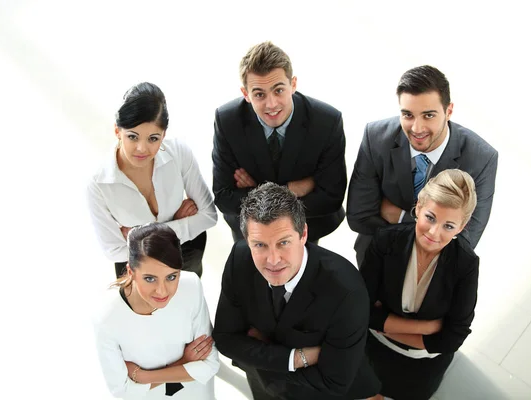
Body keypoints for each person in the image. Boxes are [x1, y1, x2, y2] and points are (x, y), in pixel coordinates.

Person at [212, 182, 381, 400]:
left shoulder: (347, 290)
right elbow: (226, 339)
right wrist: (295, 358)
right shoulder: (240, 258)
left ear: (303, 234)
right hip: (269, 386)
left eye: (283, 243)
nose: (273, 260)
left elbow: (334, 382)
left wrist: (259, 354)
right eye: (260, 245)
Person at [347, 65, 498, 266]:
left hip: (435, 268)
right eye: (408, 115)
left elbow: (464, 241)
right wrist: (438, 228)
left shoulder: (481, 158)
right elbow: (359, 216)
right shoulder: (376, 137)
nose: (417, 129)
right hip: (376, 257)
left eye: (428, 115)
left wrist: (400, 216)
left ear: (449, 111)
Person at [360, 169, 479, 400]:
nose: (434, 233)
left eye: (449, 226)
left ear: (462, 227)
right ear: (418, 207)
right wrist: (428, 328)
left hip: (422, 367)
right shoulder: (385, 240)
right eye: (430, 218)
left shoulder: (466, 264)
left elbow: (453, 338)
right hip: (372, 350)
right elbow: (360, 311)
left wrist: (384, 324)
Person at [212, 41, 347, 243]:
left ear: (293, 84)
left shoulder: (326, 121)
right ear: (245, 94)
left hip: (308, 226)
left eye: (278, 90)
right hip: (250, 232)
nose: (271, 104)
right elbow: (224, 197)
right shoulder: (227, 120)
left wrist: (255, 190)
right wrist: (290, 190)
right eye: (259, 94)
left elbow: (331, 197)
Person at [87, 82, 217, 277]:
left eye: (153, 138)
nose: (142, 148)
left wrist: (138, 238)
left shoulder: (179, 153)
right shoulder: (99, 184)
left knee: (190, 304)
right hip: (136, 272)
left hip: (186, 257)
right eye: (132, 137)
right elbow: (113, 250)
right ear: (117, 132)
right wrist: (177, 224)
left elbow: (209, 216)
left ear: (164, 135)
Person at [93, 222, 219, 399]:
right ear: (131, 271)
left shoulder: (191, 286)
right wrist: (185, 363)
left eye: (171, 277)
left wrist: (143, 376)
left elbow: (210, 364)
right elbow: (122, 390)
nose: (162, 291)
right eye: (150, 278)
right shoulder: (107, 316)